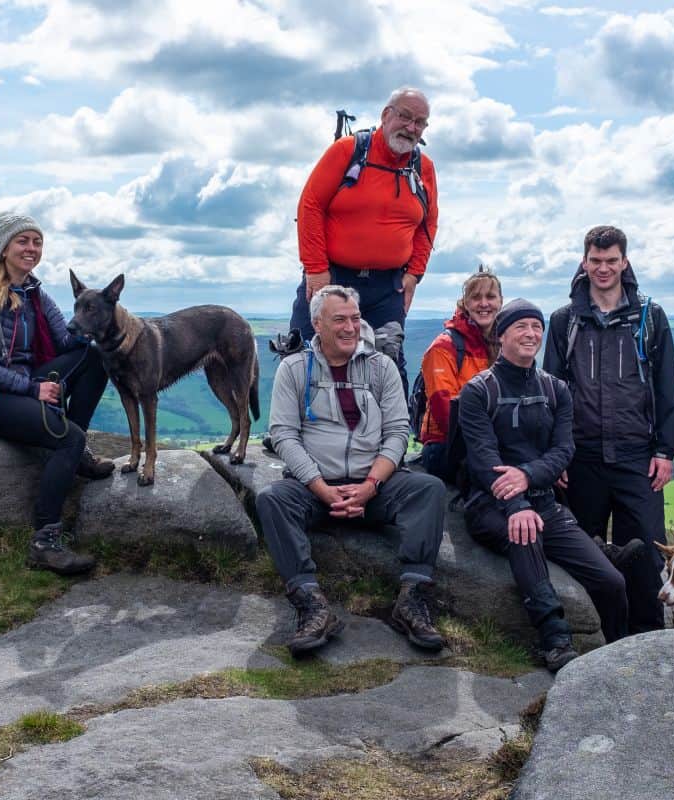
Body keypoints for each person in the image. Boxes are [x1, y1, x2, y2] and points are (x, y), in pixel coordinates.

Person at [258, 285, 448, 656]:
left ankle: (412, 600)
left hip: (374, 483)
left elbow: (397, 432)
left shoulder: (381, 367)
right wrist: (319, 487)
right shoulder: (295, 369)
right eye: (339, 320)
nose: (350, 328)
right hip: (315, 488)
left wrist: (371, 484)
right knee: (272, 500)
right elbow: (283, 434)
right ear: (317, 324)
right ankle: (311, 604)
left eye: (355, 319)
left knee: (429, 490)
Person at [0, 212, 114, 574]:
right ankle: (44, 542)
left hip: (16, 384)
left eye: (37, 242)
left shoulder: (33, 292)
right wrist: (32, 389)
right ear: (4, 246)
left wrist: (97, 322)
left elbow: (67, 342)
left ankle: (74, 449)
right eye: (23, 241)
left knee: (94, 358)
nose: (31, 249)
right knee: (67, 439)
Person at [460, 300, 627, 671]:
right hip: (490, 504)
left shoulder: (555, 390)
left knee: (611, 581)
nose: (531, 334)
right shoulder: (478, 391)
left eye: (537, 327)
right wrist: (516, 504)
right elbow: (483, 457)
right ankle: (555, 638)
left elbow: (563, 449)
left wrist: (527, 478)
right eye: (521, 327)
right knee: (525, 534)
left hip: (544, 502)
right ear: (501, 335)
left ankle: (619, 655)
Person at [543, 226, 674, 636]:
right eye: (596, 261)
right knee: (585, 550)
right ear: (584, 262)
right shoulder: (565, 321)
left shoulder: (649, 318)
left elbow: (666, 387)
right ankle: (594, 635)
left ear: (625, 262)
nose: (603, 269)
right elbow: (551, 391)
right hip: (581, 456)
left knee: (646, 552)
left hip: (637, 455)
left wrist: (665, 450)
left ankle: (646, 637)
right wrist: (556, 455)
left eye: (611, 261)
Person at [290, 86, 439, 385]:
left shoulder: (423, 167)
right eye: (405, 117)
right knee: (305, 359)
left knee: (388, 368)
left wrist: (414, 275)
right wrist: (317, 270)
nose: (411, 128)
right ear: (386, 115)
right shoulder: (347, 151)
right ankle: (292, 431)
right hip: (332, 278)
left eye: (419, 122)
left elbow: (427, 224)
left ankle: (392, 432)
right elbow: (311, 205)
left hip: (388, 287)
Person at [417, 266, 502, 482]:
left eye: (491, 297)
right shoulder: (444, 347)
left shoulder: (502, 342)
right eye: (476, 297)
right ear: (465, 303)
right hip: (447, 446)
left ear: (500, 302)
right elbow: (446, 411)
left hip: (490, 442)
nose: (484, 303)